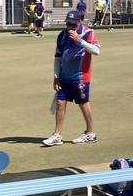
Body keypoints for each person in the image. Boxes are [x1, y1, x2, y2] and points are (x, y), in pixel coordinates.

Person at [43, 11, 101, 146]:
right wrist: (56, 77)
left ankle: (90, 133)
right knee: (60, 103)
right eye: (68, 24)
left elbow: (96, 51)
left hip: (81, 77)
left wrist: (80, 41)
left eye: (73, 24)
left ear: (79, 22)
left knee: (83, 103)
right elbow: (58, 57)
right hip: (64, 77)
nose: (70, 27)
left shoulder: (88, 33)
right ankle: (57, 135)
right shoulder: (62, 35)